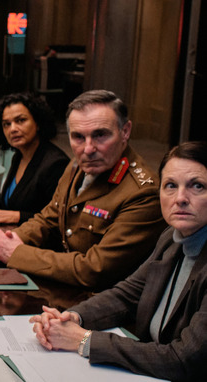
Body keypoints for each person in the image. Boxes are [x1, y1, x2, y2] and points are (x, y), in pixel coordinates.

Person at [30, 141, 207, 381]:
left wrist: (85, 340)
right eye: (170, 186)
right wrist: (72, 317)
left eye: (197, 186)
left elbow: (184, 360)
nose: (180, 198)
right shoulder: (172, 238)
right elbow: (128, 294)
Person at [0, 90, 167, 289]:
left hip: (95, 302)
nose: (88, 149)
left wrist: (16, 253)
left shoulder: (143, 193)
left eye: (100, 135)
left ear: (126, 131)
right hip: (62, 285)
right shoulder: (77, 166)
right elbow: (49, 218)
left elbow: (95, 269)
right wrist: (9, 239)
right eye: (78, 137)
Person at [0, 93, 69, 225]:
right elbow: (19, 201)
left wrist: (19, 216)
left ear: (38, 123)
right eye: (6, 124)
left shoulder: (55, 164)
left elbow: (59, 219)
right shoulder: (19, 155)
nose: (13, 129)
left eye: (21, 120)